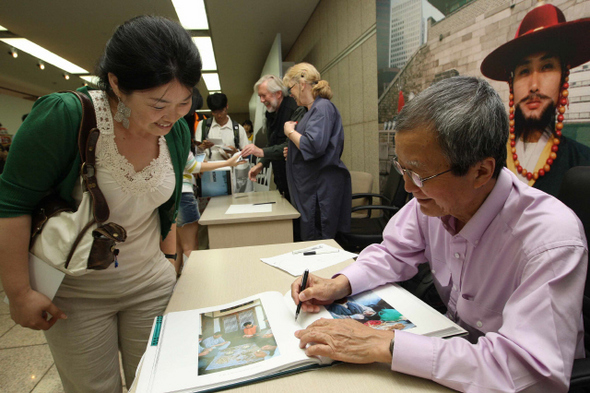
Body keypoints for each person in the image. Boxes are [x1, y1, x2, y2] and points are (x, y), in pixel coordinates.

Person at [290, 76, 587, 392]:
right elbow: (393, 252)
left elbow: (529, 372)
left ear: (481, 172)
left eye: (418, 174)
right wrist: (340, 284)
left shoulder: (549, 239)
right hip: (451, 349)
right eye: (402, 169)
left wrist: (385, 345)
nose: (407, 187)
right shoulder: (434, 200)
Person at [0, 16, 202, 392]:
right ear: (116, 83)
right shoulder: (66, 116)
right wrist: (19, 293)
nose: (173, 116)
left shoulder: (173, 134)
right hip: (76, 296)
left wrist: (173, 263)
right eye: (159, 103)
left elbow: (165, 209)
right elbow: (11, 203)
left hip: (151, 285)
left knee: (161, 382)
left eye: (184, 101)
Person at [480, 3, 590, 197]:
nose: (533, 85)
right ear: (511, 83)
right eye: (524, 71)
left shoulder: (583, 163)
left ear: (563, 78)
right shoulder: (483, 157)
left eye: (547, 67)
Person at [282, 63, 351, 241]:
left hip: (318, 192)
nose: (290, 93)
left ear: (301, 84)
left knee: (318, 243)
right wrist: (293, 153)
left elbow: (313, 146)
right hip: (312, 190)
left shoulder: (322, 108)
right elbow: (310, 145)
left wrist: (289, 132)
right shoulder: (312, 111)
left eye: (291, 88)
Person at [175, 151, 243, 274]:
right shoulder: (178, 134)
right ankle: (195, 285)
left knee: (176, 247)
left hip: (168, 194)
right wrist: (227, 163)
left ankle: (173, 286)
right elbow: (192, 166)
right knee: (190, 248)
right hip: (183, 193)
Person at [242, 75, 307, 201]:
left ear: (278, 94)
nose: (261, 100)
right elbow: (272, 144)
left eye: (263, 95)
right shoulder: (271, 113)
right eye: (259, 96)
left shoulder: (295, 109)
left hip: (297, 181)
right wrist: (261, 164)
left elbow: (291, 145)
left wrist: (260, 152)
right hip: (282, 180)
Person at [195, 92, 248, 161]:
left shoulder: (238, 129)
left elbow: (246, 155)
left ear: (227, 106)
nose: (219, 115)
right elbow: (195, 152)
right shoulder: (203, 125)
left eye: (221, 111)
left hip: (230, 169)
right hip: (208, 168)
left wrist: (235, 152)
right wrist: (202, 147)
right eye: (215, 112)